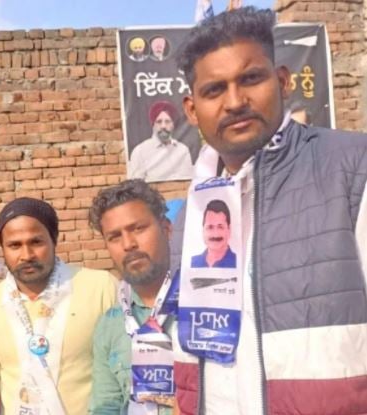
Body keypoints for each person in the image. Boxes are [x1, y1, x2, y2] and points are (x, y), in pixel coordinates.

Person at [173, 7, 367, 414]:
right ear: (192, 110)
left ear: (281, 80)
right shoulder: (191, 215)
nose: (235, 102)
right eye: (214, 90)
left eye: (251, 79)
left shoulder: (352, 169)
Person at [0, 198, 117, 415]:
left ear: (54, 240)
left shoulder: (101, 287)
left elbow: (121, 370)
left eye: (36, 242)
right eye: (14, 245)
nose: (27, 255)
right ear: (2, 248)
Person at [88, 180, 178, 415]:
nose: (128, 244)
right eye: (115, 236)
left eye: (138, 228)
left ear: (166, 229)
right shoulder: (110, 324)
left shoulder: (207, 304)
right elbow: (105, 407)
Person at [128, 101, 194, 182]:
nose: (163, 126)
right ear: (153, 125)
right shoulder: (140, 151)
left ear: (173, 125)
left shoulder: (182, 150)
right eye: (159, 122)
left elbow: (187, 182)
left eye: (167, 121)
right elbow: (134, 188)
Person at [190, 200, 236, 268]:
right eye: (210, 227)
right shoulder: (192, 263)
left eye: (220, 227)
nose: (215, 234)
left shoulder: (239, 263)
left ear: (229, 229)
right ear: (203, 230)